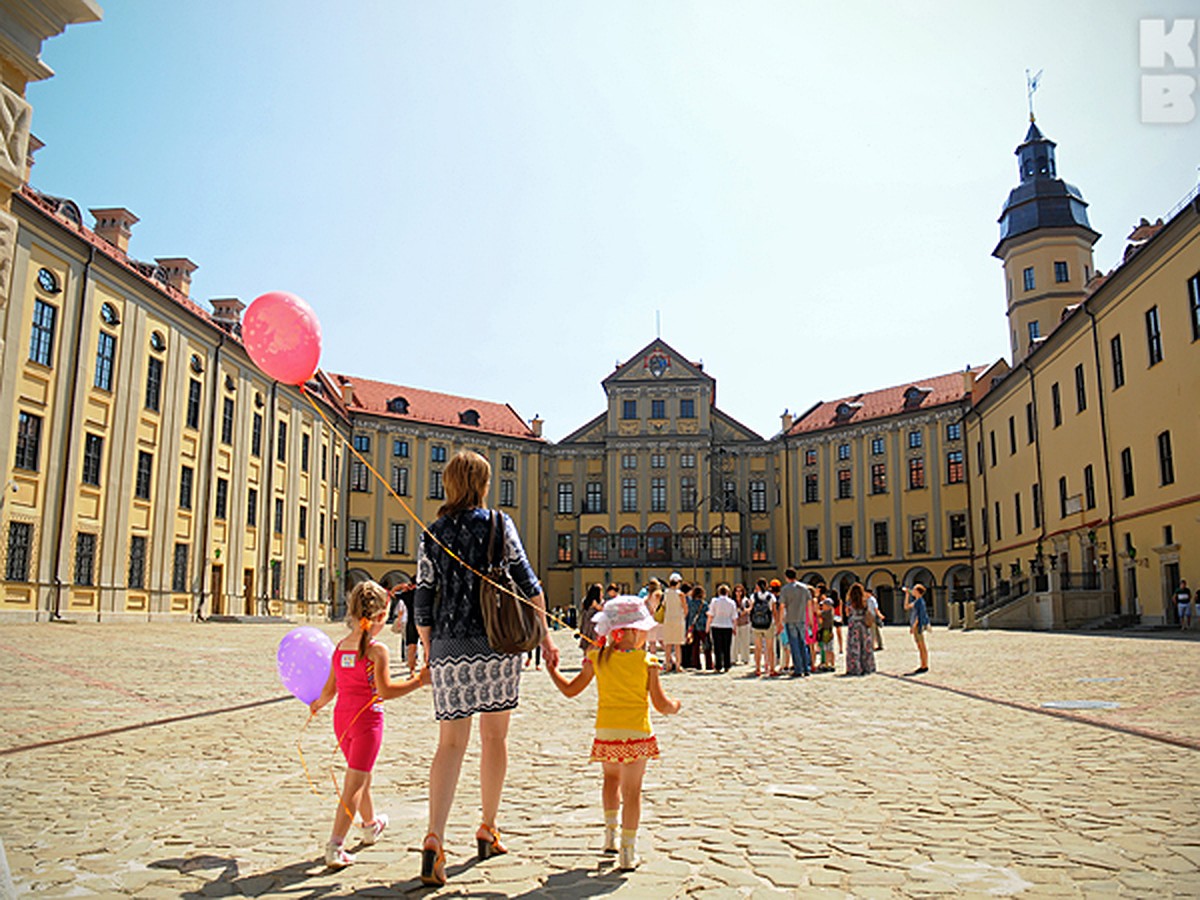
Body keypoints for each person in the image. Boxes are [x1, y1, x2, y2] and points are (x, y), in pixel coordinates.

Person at [413, 451, 558, 886]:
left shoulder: (432, 532)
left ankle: (434, 838)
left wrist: (429, 649)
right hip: (498, 644)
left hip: (449, 646)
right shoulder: (499, 524)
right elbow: (529, 583)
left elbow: (423, 598)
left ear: (449, 483)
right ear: (482, 483)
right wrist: (546, 637)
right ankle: (487, 828)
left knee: (449, 746)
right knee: (494, 738)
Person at [546, 596, 681, 870]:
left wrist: (552, 670)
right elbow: (661, 704)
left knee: (610, 780)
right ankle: (628, 851)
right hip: (637, 732)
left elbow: (571, 690)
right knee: (632, 792)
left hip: (607, 731)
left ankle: (610, 835)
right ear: (633, 630)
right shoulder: (648, 661)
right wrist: (676, 706)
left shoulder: (597, 657)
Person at [309, 580, 429, 867]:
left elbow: (329, 690)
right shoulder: (377, 651)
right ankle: (335, 844)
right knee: (354, 785)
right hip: (367, 722)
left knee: (359, 776)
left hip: (342, 720)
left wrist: (316, 705)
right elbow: (386, 691)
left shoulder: (341, 648)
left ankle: (370, 824)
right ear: (378, 617)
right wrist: (418, 681)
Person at [778, 569, 812, 677]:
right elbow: (809, 604)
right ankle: (806, 668)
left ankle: (798, 668)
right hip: (802, 619)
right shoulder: (804, 588)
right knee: (803, 643)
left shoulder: (785, 589)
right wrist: (810, 619)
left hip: (790, 619)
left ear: (786, 577)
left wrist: (780, 621)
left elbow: (782, 606)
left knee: (794, 644)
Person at [843, 583, 876, 676]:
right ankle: (867, 666)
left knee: (854, 647)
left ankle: (855, 667)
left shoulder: (850, 602)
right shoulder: (864, 601)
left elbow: (847, 613)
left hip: (854, 625)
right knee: (865, 647)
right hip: (863, 626)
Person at [706, 583, 738, 673]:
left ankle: (718, 665)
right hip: (728, 626)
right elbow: (734, 617)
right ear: (728, 592)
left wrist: (707, 627)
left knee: (717, 647)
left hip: (716, 625)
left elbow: (711, 615)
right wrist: (734, 628)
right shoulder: (732, 602)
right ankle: (727, 665)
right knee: (727, 647)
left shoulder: (714, 601)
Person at [748, 579, 777, 677]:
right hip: (768, 624)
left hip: (756, 624)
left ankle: (758, 669)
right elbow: (774, 611)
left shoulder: (753, 596)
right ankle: (772, 669)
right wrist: (778, 622)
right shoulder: (771, 596)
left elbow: (751, 609)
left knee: (758, 648)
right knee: (769, 648)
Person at [660, 573, 687, 673]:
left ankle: (668, 665)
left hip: (668, 619)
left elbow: (664, 605)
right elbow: (685, 608)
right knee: (677, 644)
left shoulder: (666, 593)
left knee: (668, 644)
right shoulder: (680, 594)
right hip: (678, 619)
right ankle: (678, 665)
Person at [903, 584, 930, 675]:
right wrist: (907, 595)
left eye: (914, 590)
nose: (912, 591)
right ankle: (923, 664)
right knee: (920, 646)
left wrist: (914, 626)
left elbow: (919, 616)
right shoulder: (917, 601)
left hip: (918, 627)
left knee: (922, 646)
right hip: (916, 626)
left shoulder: (920, 602)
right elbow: (906, 607)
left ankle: (924, 665)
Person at [685, 584, 712, 670]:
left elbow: (689, 615)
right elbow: (708, 614)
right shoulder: (704, 604)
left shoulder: (690, 603)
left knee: (695, 647)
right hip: (703, 626)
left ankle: (696, 664)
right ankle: (709, 664)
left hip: (694, 626)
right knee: (707, 646)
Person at [579, 583, 604, 655]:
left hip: (586, 626)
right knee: (593, 645)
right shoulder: (595, 602)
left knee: (588, 645)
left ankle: (587, 660)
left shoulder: (586, 601)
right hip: (594, 627)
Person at [731, 583, 751, 665]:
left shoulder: (746, 600)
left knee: (745, 642)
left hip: (744, 623)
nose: (738, 593)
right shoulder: (732, 601)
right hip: (734, 624)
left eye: (740, 591)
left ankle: (745, 658)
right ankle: (733, 658)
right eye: (737, 591)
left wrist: (743, 612)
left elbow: (748, 609)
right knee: (734, 642)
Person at [644, 577, 664, 652]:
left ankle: (653, 658)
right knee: (661, 640)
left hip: (651, 619)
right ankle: (670, 658)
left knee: (652, 641)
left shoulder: (649, 596)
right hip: (659, 617)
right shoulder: (659, 594)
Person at [864, 584, 884, 651]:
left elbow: (876, 608)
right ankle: (879, 644)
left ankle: (872, 645)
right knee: (876, 631)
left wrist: (879, 615)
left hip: (872, 617)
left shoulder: (872, 600)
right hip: (871, 616)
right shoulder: (868, 600)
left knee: (872, 632)